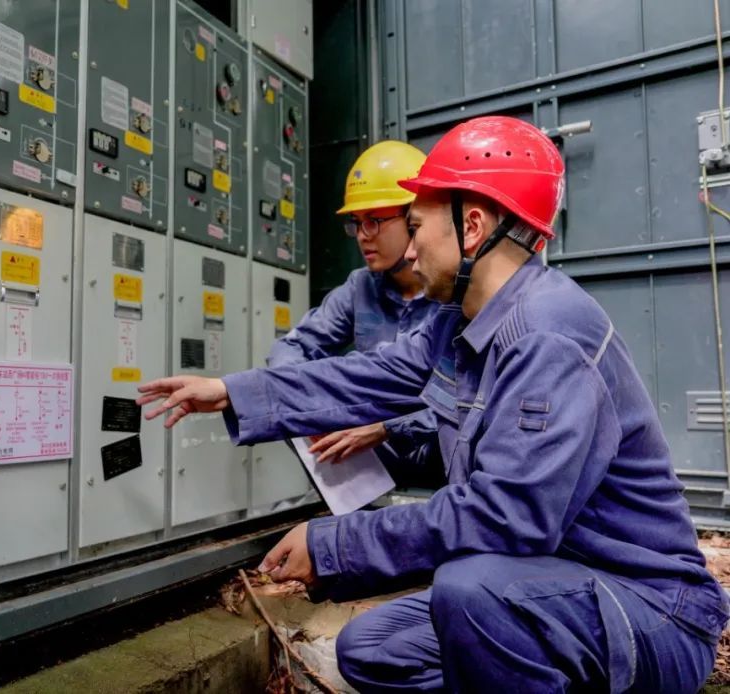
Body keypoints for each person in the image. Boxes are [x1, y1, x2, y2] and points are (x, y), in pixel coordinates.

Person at [137, 116, 728, 691]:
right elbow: (366, 377)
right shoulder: (461, 321)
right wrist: (231, 392)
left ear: (471, 227)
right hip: (550, 583)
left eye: (416, 225)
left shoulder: (548, 335)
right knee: (372, 648)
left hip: (648, 608)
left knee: (470, 589)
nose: (411, 247)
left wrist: (332, 544)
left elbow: (506, 518)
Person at [270, 141, 441, 488]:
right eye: (356, 223)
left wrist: (385, 428)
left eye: (374, 221)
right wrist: (314, 410)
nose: (362, 237)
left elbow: (467, 404)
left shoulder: (451, 295)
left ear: (414, 219)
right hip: (377, 479)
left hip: (445, 477)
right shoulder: (359, 287)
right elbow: (292, 348)